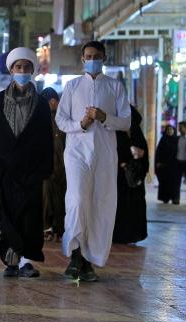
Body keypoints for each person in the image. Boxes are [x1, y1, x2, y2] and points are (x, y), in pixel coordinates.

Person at [56, 41, 131, 282]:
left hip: (105, 154)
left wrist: (103, 117)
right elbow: (61, 121)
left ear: (104, 58)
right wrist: (81, 124)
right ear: (82, 59)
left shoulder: (115, 87)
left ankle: (89, 260)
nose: (92, 59)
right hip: (77, 152)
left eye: (96, 56)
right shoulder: (72, 86)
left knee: (100, 205)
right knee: (77, 200)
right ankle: (75, 254)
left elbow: (126, 122)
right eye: (88, 56)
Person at [0, 48, 54, 278]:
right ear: (11, 70)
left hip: (31, 171)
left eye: (26, 67)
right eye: (18, 67)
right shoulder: (0, 100)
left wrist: (39, 167)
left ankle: (26, 262)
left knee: (31, 217)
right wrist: (5, 162)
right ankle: (11, 260)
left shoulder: (41, 104)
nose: (22, 71)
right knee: (7, 214)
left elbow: (43, 138)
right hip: (5, 170)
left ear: (33, 70)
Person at [113, 105, 148, 245]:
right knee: (120, 207)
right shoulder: (117, 133)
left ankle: (133, 235)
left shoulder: (137, 134)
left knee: (135, 208)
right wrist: (121, 163)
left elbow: (145, 156)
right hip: (120, 178)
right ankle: (119, 235)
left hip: (135, 179)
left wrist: (140, 156)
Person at [40, 87, 65, 242]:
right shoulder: (42, 119)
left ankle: (59, 228)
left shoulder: (63, 118)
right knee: (46, 198)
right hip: (47, 166)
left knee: (60, 198)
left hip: (63, 166)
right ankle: (47, 227)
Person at [155, 125, 179, 204]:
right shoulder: (163, 140)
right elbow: (158, 152)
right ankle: (165, 198)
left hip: (174, 165)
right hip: (164, 165)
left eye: (171, 129)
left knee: (174, 183)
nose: (170, 131)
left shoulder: (176, 140)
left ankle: (174, 198)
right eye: (168, 130)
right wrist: (158, 162)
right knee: (164, 182)